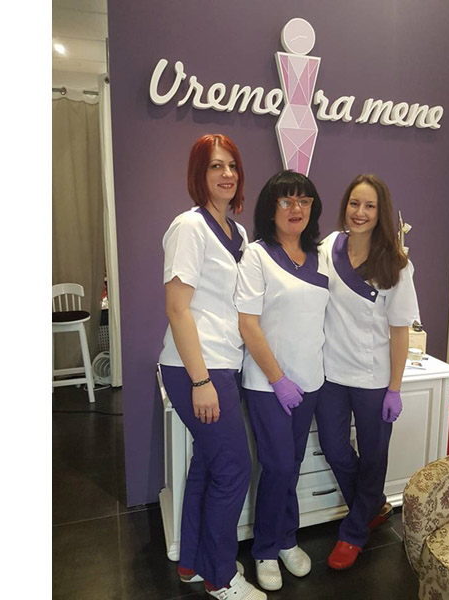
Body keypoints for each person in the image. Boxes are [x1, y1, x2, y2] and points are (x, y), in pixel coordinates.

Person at [158, 133, 265, 600]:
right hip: (196, 368)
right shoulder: (189, 227)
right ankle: (221, 577)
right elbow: (177, 309)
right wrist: (201, 381)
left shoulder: (237, 233)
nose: (226, 174)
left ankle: (192, 561)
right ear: (198, 174)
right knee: (234, 467)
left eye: (232, 166)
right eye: (215, 166)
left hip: (225, 364)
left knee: (207, 463)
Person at [315, 173, 421, 570]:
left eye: (370, 206)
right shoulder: (329, 247)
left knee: (374, 456)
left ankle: (354, 531)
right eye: (354, 203)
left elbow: (399, 331)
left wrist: (394, 388)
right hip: (330, 373)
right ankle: (372, 504)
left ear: (381, 212)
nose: (360, 212)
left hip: (374, 378)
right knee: (334, 447)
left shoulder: (396, 265)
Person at [236, 171, 328, 591]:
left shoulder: (320, 257)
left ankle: (288, 537)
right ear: (270, 209)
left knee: (292, 464)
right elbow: (248, 324)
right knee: (275, 466)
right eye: (286, 201)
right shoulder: (257, 256)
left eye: (304, 201)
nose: (296, 209)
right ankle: (265, 549)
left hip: (310, 381)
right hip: (267, 383)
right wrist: (278, 379)